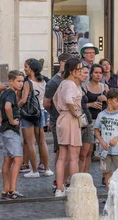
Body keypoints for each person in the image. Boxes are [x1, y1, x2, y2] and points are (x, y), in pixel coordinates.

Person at [53, 57, 83, 197]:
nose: (81, 71)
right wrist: (75, 113)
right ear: (72, 71)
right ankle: (74, 188)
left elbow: (55, 99)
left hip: (62, 118)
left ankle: (60, 188)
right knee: (73, 157)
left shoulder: (63, 83)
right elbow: (69, 100)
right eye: (79, 68)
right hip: (70, 119)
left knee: (62, 156)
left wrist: (63, 111)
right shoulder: (70, 84)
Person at [44, 53, 72, 192]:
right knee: (60, 152)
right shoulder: (53, 82)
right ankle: (58, 181)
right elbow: (46, 103)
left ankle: (65, 179)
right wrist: (54, 115)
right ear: (61, 63)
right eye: (65, 62)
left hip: (68, 120)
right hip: (58, 120)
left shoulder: (71, 80)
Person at [20, 59, 52, 178]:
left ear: (32, 69)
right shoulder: (43, 81)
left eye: (26, 67)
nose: (24, 69)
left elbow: (23, 100)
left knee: (30, 143)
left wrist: (16, 107)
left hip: (28, 113)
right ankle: (47, 168)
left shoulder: (28, 82)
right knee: (42, 142)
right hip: (41, 112)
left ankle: (34, 170)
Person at [0, 70, 25, 199]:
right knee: (18, 159)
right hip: (10, 130)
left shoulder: (4, 93)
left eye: (22, 81)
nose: (21, 84)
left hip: (5, 130)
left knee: (8, 159)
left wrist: (1, 120)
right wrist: (11, 120)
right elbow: (7, 107)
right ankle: (12, 191)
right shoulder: (10, 93)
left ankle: (5, 189)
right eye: (18, 81)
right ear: (11, 81)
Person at [81, 64, 108, 173]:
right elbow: (81, 105)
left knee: (104, 149)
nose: (98, 75)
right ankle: (84, 174)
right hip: (90, 120)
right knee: (88, 149)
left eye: (100, 73)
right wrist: (91, 104)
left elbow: (111, 104)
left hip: (102, 121)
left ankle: (105, 173)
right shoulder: (85, 87)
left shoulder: (104, 87)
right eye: (96, 72)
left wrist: (105, 99)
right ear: (91, 74)